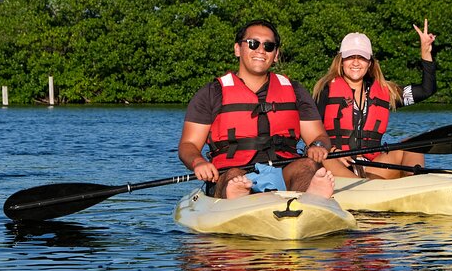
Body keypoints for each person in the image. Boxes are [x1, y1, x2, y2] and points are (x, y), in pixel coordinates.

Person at [178, 19, 335, 199]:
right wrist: (198, 162)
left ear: (275, 55)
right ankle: (238, 194)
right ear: (237, 49)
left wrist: (318, 146)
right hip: (232, 171)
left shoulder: (295, 91)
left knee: (306, 166)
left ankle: (312, 196)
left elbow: (318, 136)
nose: (261, 50)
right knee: (233, 176)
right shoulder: (211, 93)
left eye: (269, 46)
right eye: (253, 44)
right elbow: (188, 145)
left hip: (283, 170)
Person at [312, 19, 436, 179]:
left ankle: (416, 182)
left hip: (371, 167)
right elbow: (311, 131)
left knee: (412, 143)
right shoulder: (325, 90)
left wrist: (426, 52)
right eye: (350, 57)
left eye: (361, 58)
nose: (356, 62)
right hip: (335, 164)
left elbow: (427, 90)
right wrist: (333, 151)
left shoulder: (386, 92)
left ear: (370, 63)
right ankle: (362, 188)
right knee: (322, 155)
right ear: (341, 61)